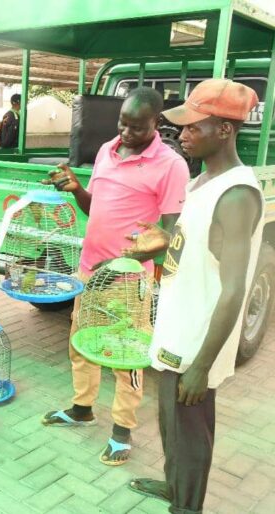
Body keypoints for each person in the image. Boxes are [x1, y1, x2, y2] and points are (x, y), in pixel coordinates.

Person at [128, 79, 262, 513]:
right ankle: (174, 485)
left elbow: (235, 288)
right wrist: (163, 244)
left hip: (197, 343)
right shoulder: (204, 178)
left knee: (191, 430)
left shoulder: (236, 194)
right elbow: (200, 253)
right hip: (178, 326)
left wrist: (202, 365)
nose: (181, 135)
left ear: (225, 129)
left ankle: (187, 506)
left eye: (193, 128)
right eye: (181, 127)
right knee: (171, 423)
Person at [40, 87, 190, 466]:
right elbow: (97, 208)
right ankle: (82, 408)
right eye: (122, 123)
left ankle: (122, 432)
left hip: (127, 280)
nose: (126, 132)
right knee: (80, 344)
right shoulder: (108, 150)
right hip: (89, 272)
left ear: (156, 123)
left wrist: (145, 251)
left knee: (126, 357)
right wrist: (77, 190)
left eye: (136, 127)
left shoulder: (171, 166)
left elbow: (171, 235)